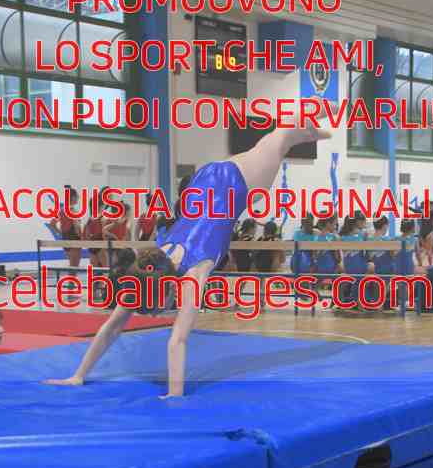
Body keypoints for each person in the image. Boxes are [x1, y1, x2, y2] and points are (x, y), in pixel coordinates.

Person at [45, 108, 333, 396]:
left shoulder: (196, 271)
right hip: (204, 182)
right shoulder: (145, 270)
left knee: (280, 137)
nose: (158, 313)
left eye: (158, 307)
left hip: (236, 181)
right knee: (278, 142)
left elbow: (178, 340)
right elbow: (111, 328)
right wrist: (78, 376)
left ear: (167, 287)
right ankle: (308, 132)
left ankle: (318, 110)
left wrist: (175, 394)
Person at [49, 186, 82, 268]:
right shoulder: (72, 210)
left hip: (65, 238)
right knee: (74, 266)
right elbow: (76, 226)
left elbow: (52, 224)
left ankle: (71, 277)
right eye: (77, 196)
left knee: (72, 265)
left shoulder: (61, 210)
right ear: (73, 197)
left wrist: (61, 233)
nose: (78, 198)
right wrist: (81, 237)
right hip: (74, 238)